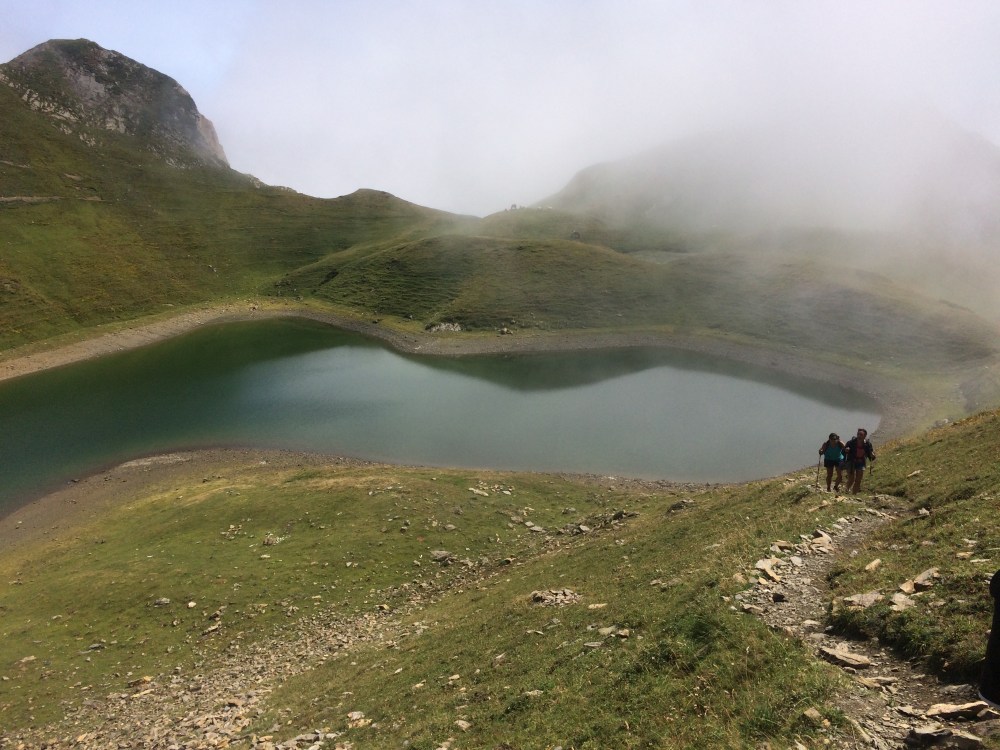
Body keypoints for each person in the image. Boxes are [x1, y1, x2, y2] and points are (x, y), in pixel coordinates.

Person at [843, 428, 876, 494]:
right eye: (858, 434)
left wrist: (872, 455)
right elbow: (843, 451)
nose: (859, 436)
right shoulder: (851, 442)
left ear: (865, 436)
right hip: (851, 462)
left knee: (858, 480)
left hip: (861, 462)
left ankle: (854, 494)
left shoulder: (867, 444)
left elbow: (871, 455)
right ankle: (847, 490)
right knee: (851, 479)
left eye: (861, 434)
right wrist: (846, 450)